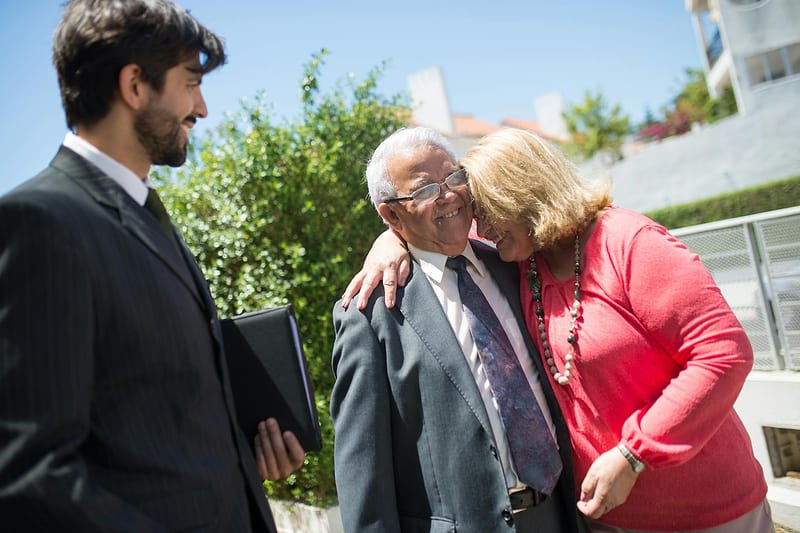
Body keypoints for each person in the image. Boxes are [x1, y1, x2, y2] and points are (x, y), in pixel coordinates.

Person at [343, 127, 774, 532]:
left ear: (523, 197)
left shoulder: (612, 245)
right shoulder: (517, 266)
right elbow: (363, 464)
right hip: (599, 515)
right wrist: (391, 238)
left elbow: (723, 351)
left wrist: (633, 454)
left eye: (481, 205)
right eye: (427, 190)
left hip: (701, 509)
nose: (479, 225)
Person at [0, 1, 304, 530]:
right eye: (190, 83)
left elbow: (149, 427)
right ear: (134, 85)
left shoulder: (149, 215)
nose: (202, 108)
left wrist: (241, 457)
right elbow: (30, 472)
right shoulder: (41, 222)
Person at [331, 127, 588, 533]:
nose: (448, 195)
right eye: (424, 190)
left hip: (560, 511)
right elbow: (362, 463)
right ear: (391, 214)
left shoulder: (514, 262)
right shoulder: (370, 311)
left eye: (453, 177)